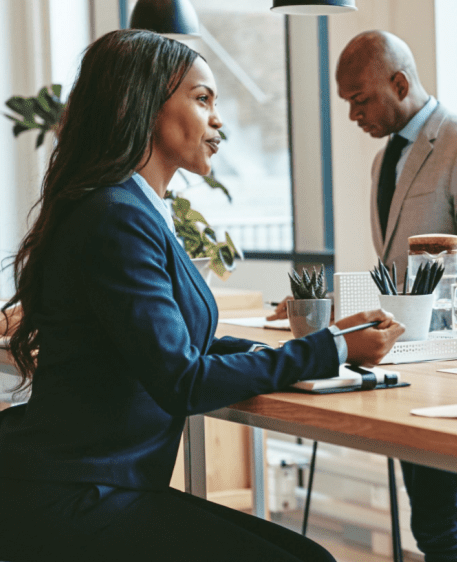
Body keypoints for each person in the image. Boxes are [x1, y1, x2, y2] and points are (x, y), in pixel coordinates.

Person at [0, 29, 402, 562]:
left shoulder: (125, 207)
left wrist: (283, 352)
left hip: (95, 484)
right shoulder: (117, 216)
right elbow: (182, 382)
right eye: (202, 98)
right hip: (79, 497)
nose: (219, 121)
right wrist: (332, 349)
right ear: (141, 104)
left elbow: (176, 345)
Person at [336, 29, 457, 561]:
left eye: (360, 99)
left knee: (439, 521)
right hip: (412, 361)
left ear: (399, 82)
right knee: (432, 520)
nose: (354, 115)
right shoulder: (382, 162)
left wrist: (405, 304)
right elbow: (393, 266)